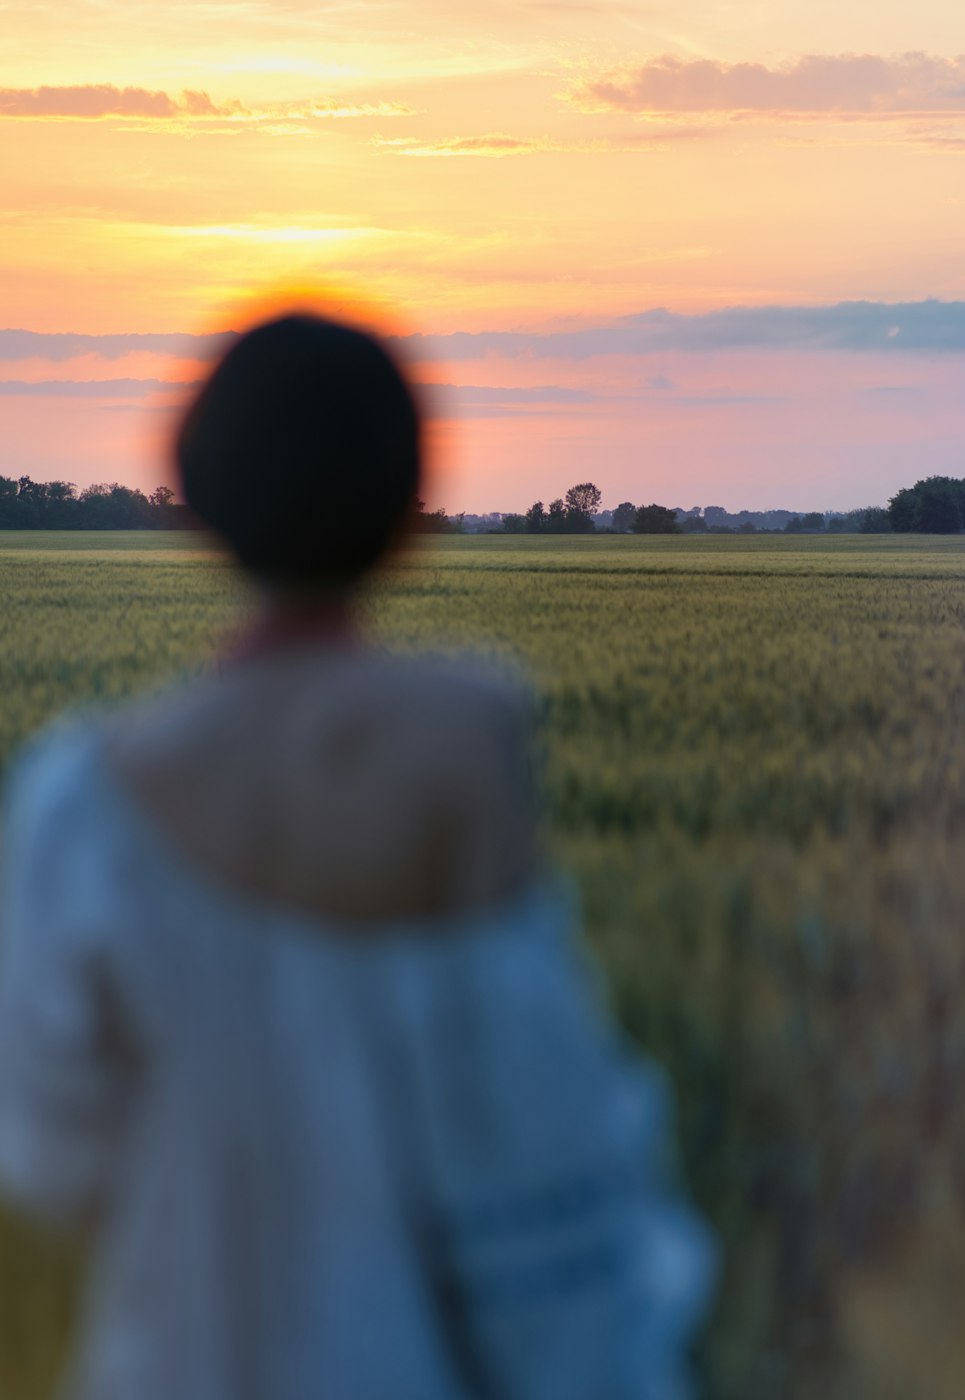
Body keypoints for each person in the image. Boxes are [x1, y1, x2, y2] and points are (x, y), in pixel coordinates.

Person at [0, 313, 714, 1400]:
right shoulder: (465, 763)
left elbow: (49, 1155)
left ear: (190, 501)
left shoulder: (77, 803)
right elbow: (542, 1160)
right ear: (406, 515)